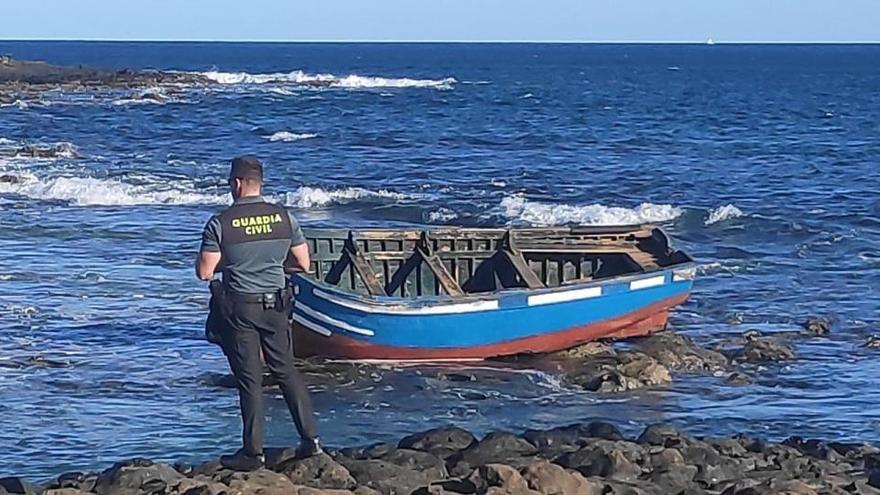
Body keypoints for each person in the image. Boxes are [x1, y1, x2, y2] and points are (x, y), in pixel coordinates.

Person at [196, 155, 321, 471]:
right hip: (277, 305)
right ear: (259, 183)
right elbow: (303, 264)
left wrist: (234, 263)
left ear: (237, 184)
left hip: (241, 306)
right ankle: (311, 441)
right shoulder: (284, 218)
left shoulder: (220, 222)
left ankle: (253, 452)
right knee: (286, 372)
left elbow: (204, 272)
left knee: (249, 379)